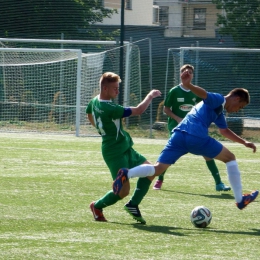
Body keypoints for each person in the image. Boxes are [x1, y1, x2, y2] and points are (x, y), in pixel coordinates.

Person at [114, 69, 258, 210]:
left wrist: (244, 142)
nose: (238, 109)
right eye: (240, 106)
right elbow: (204, 94)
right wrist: (188, 85)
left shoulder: (219, 112)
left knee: (157, 169)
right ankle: (240, 200)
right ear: (236, 98)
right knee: (230, 158)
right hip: (196, 135)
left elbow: (224, 130)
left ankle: (127, 173)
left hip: (178, 135)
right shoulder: (219, 99)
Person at [86, 72, 161, 224]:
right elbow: (139, 110)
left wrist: (101, 130)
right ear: (105, 88)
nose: (118, 91)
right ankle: (97, 206)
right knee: (123, 192)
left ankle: (133, 205)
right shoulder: (111, 108)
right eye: (115, 88)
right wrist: (150, 96)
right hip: (114, 152)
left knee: (151, 171)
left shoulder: (94, 101)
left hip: (125, 146)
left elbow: (89, 113)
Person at [153, 64, 231, 192]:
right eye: (185, 71)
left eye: (190, 72)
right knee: (167, 156)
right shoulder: (174, 91)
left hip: (194, 130)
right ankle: (159, 180)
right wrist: (178, 118)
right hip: (177, 128)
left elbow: (207, 106)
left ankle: (219, 183)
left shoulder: (197, 92)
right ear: (181, 74)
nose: (187, 73)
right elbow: (166, 109)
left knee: (207, 154)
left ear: (192, 75)